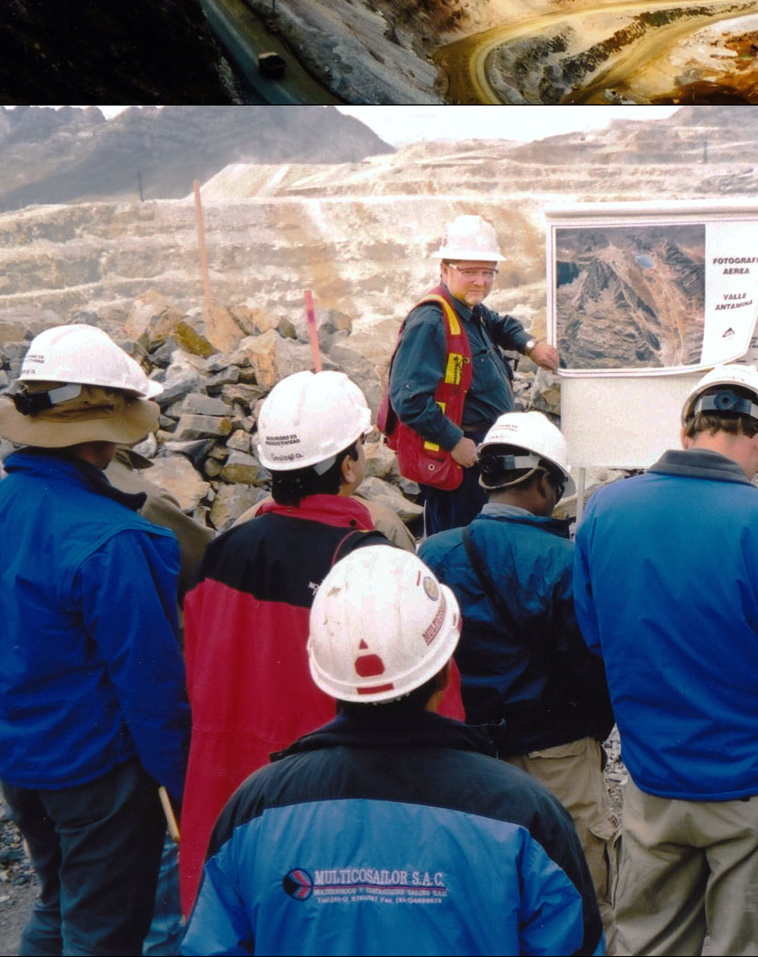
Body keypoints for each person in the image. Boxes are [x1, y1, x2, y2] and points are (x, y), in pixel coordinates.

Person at [574, 364, 758, 956]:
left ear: (687, 429)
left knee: (649, 942)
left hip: (653, 782)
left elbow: (596, 635)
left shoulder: (604, 513)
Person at [183, 546, 602, 956]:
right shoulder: (524, 813)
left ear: (326, 675)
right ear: (444, 670)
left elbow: (210, 944)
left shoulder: (254, 809)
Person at [178, 369, 464, 912]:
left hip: (230, 804)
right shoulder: (368, 563)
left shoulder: (225, 551)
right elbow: (434, 697)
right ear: (350, 464)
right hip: (334, 818)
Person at [0, 324, 190, 957]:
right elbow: (153, 692)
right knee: (104, 931)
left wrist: (23, 700)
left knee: (55, 903)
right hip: (98, 776)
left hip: (18, 758)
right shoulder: (117, 542)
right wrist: (180, 787)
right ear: (107, 430)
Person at [420, 410, 617, 941]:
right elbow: (591, 662)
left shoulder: (434, 553)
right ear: (543, 480)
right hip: (559, 754)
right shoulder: (565, 561)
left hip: (465, 757)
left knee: (483, 899)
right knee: (579, 894)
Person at [382, 214, 560, 538]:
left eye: (487, 272)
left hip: (482, 452)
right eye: (469, 271)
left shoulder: (469, 310)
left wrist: (530, 345)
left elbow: (500, 325)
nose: (480, 281)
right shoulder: (431, 322)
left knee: (482, 544)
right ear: (445, 269)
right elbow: (407, 399)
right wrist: (453, 441)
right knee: (459, 547)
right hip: (461, 460)